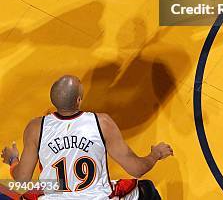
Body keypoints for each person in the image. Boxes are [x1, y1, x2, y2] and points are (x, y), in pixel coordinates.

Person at [1, 76, 173, 200]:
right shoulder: (102, 122)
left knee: (8, 189)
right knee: (146, 190)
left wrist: (13, 160)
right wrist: (155, 154)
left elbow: (22, 179)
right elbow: (137, 169)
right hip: (96, 197)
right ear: (78, 100)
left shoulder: (35, 127)